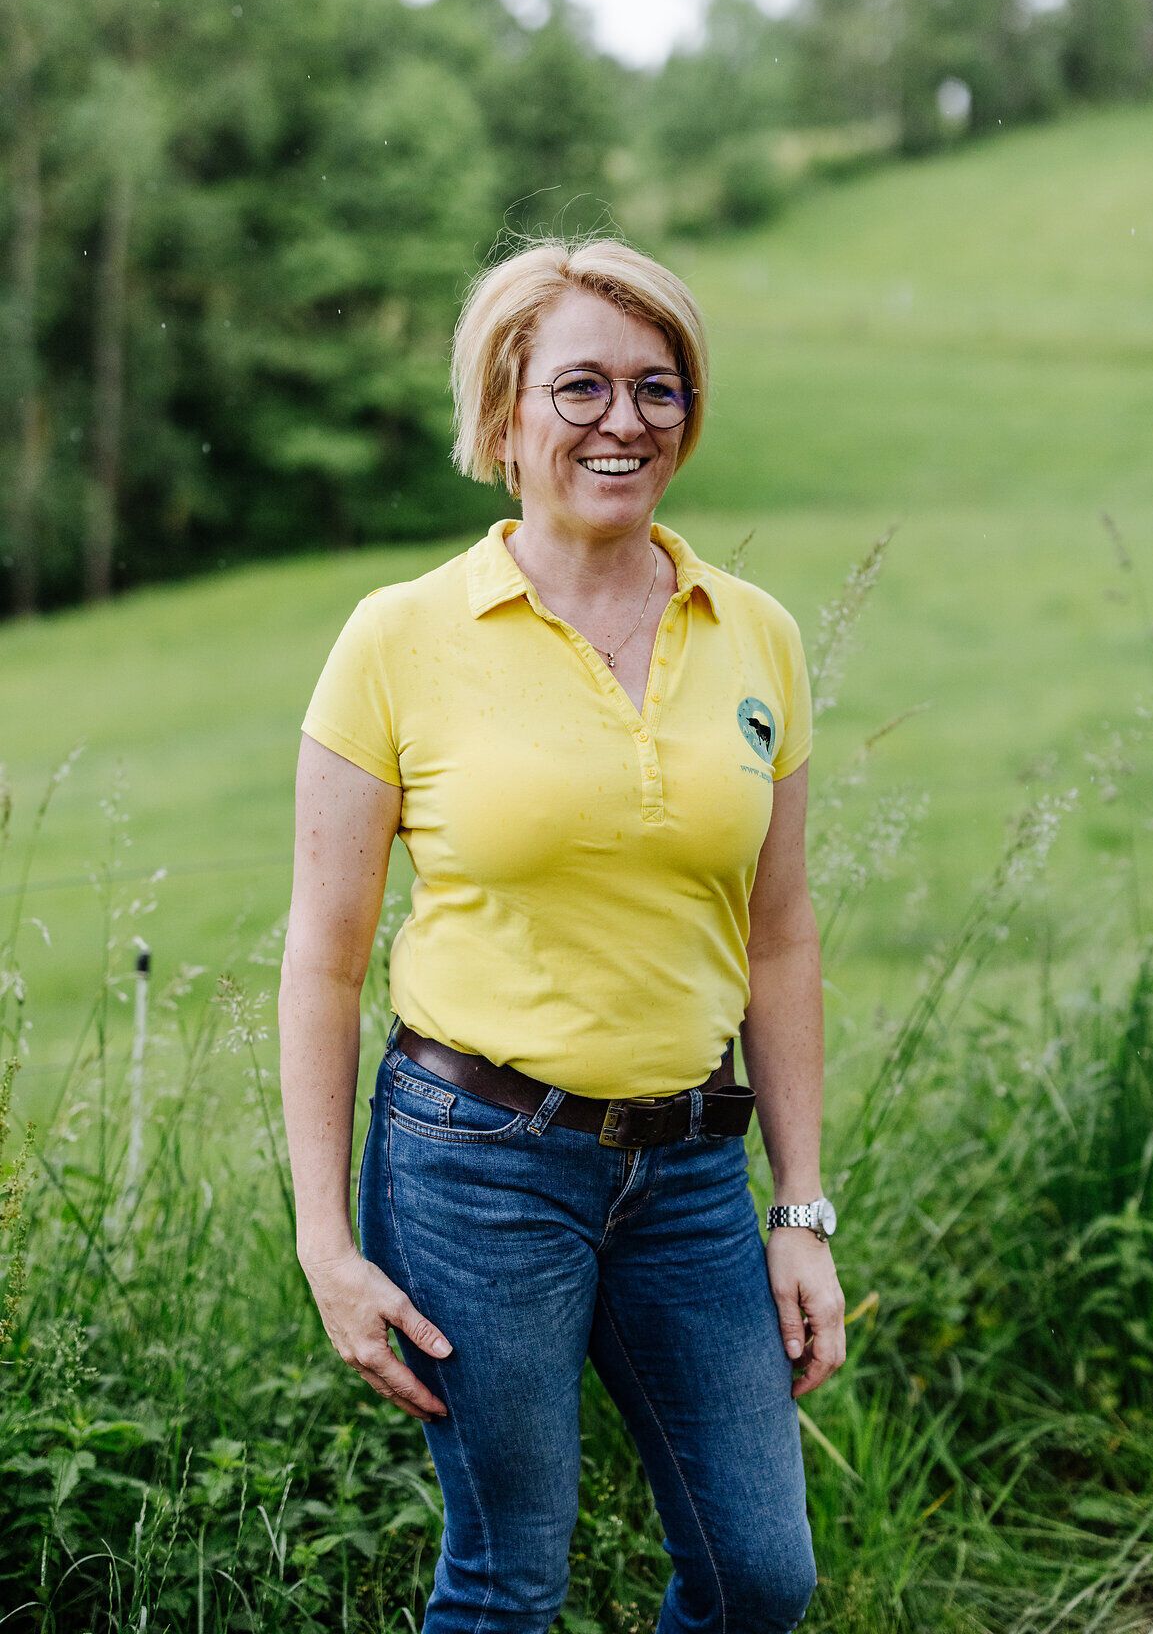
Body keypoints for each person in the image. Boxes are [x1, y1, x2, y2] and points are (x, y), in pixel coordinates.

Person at [279, 235, 846, 1634]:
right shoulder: (399, 637)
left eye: (659, 389)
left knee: (756, 1579)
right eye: (581, 387)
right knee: (506, 1579)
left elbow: (777, 938)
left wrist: (802, 1208)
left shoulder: (755, 633)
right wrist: (321, 1238)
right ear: (503, 413)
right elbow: (322, 956)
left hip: (694, 1174)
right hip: (477, 1167)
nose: (624, 422)